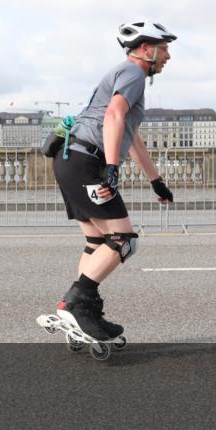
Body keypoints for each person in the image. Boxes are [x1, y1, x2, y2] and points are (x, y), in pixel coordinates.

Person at [47, 21, 177, 342]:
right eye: (164, 48)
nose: (168, 56)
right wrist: (111, 168)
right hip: (87, 162)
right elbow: (114, 115)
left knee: (97, 242)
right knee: (123, 240)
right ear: (146, 49)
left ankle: (84, 311)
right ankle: (76, 306)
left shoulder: (123, 74)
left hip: (71, 160)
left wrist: (156, 181)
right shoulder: (133, 73)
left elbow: (134, 140)